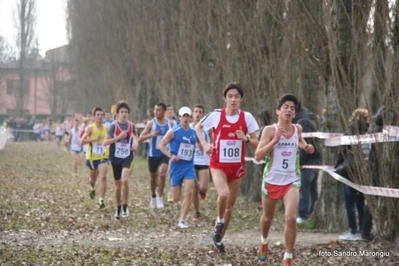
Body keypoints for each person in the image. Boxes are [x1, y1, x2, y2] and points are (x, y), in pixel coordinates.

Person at [195, 82, 259, 255]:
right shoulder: (216, 115)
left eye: (236, 96)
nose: (233, 99)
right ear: (225, 98)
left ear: (241, 99)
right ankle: (219, 221)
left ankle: (219, 239)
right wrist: (204, 143)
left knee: (230, 206)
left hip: (236, 168)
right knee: (223, 194)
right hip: (218, 164)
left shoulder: (247, 118)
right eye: (230, 96)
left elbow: (257, 144)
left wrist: (245, 138)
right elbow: (198, 127)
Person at [254, 93, 314, 265]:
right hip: (272, 179)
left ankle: (288, 256)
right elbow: (258, 156)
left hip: (291, 180)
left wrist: (306, 147)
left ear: (295, 114)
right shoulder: (269, 130)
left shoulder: (298, 129)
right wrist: (274, 141)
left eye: (292, 108)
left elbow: (300, 141)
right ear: (278, 111)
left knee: (290, 218)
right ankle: (264, 241)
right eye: (285, 107)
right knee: (268, 218)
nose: (289, 110)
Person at [335, 108, 373, 241]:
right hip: (365, 172)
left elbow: (341, 152)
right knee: (361, 202)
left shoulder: (350, 132)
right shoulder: (371, 133)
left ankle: (353, 230)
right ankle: (362, 230)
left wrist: (337, 165)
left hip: (349, 171)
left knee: (349, 203)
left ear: (353, 117)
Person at [159, 106, 198, 228]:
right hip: (176, 167)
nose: (185, 118)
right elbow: (161, 145)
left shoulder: (193, 133)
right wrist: (170, 156)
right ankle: (172, 189)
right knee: (176, 198)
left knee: (190, 192)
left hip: (188, 166)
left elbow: (197, 145)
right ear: (179, 117)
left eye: (187, 116)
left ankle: (182, 220)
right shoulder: (173, 132)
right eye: (183, 116)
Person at [103, 101, 138, 220]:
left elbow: (136, 138)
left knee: (125, 180)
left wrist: (136, 144)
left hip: (127, 157)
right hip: (115, 158)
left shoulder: (131, 126)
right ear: (117, 114)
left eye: (126, 112)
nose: (124, 114)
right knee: (117, 186)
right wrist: (118, 137)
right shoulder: (113, 126)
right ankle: (118, 208)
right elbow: (105, 142)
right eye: (122, 112)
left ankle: (125, 206)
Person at [292, 103, 323, 226]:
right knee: (312, 187)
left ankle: (303, 215)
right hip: (315, 158)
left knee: (304, 187)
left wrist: (300, 162)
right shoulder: (306, 118)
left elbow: (306, 144)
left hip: (310, 159)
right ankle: (312, 212)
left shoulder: (303, 122)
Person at [138, 103, 170, 209]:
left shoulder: (170, 124)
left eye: (159, 110)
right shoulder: (151, 123)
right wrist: (152, 135)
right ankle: (153, 196)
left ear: (164, 112)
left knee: (162, 174)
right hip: (153, 154)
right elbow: (140, 138)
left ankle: (160, 197)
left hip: (164, 153)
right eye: (155, 110)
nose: (156, 112)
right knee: (152, 178)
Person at [80, 107, 109, 209]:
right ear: (94, 117)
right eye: (98, 115)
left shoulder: (106, 128)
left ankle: (101, 200)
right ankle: (92, 187)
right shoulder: (90, 128)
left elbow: (109, 141)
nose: (100, 117)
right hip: (92, 158)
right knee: (93, 179)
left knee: (103, 177)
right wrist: (93, 139)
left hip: (103, 157)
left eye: (102, 115)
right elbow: (81, 141)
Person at [190, 104, 210, 221]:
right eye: (196, 111)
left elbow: (212, 142)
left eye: (200, 112)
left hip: (203, 160)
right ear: (193, 114)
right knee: (193, 189)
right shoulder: (188, 127)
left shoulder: (207, 128)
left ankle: (202, 191)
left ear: (203, 115)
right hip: (191, 161)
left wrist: (205, 146)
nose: (197, 114)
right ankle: (197, 213)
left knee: (203, 187)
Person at [256, 109, 271, 211]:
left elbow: (258, 144)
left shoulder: (263, 130)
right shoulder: (273, 128)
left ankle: (264, 203)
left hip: (264, 160)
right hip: (270, 159)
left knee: (265, 181)